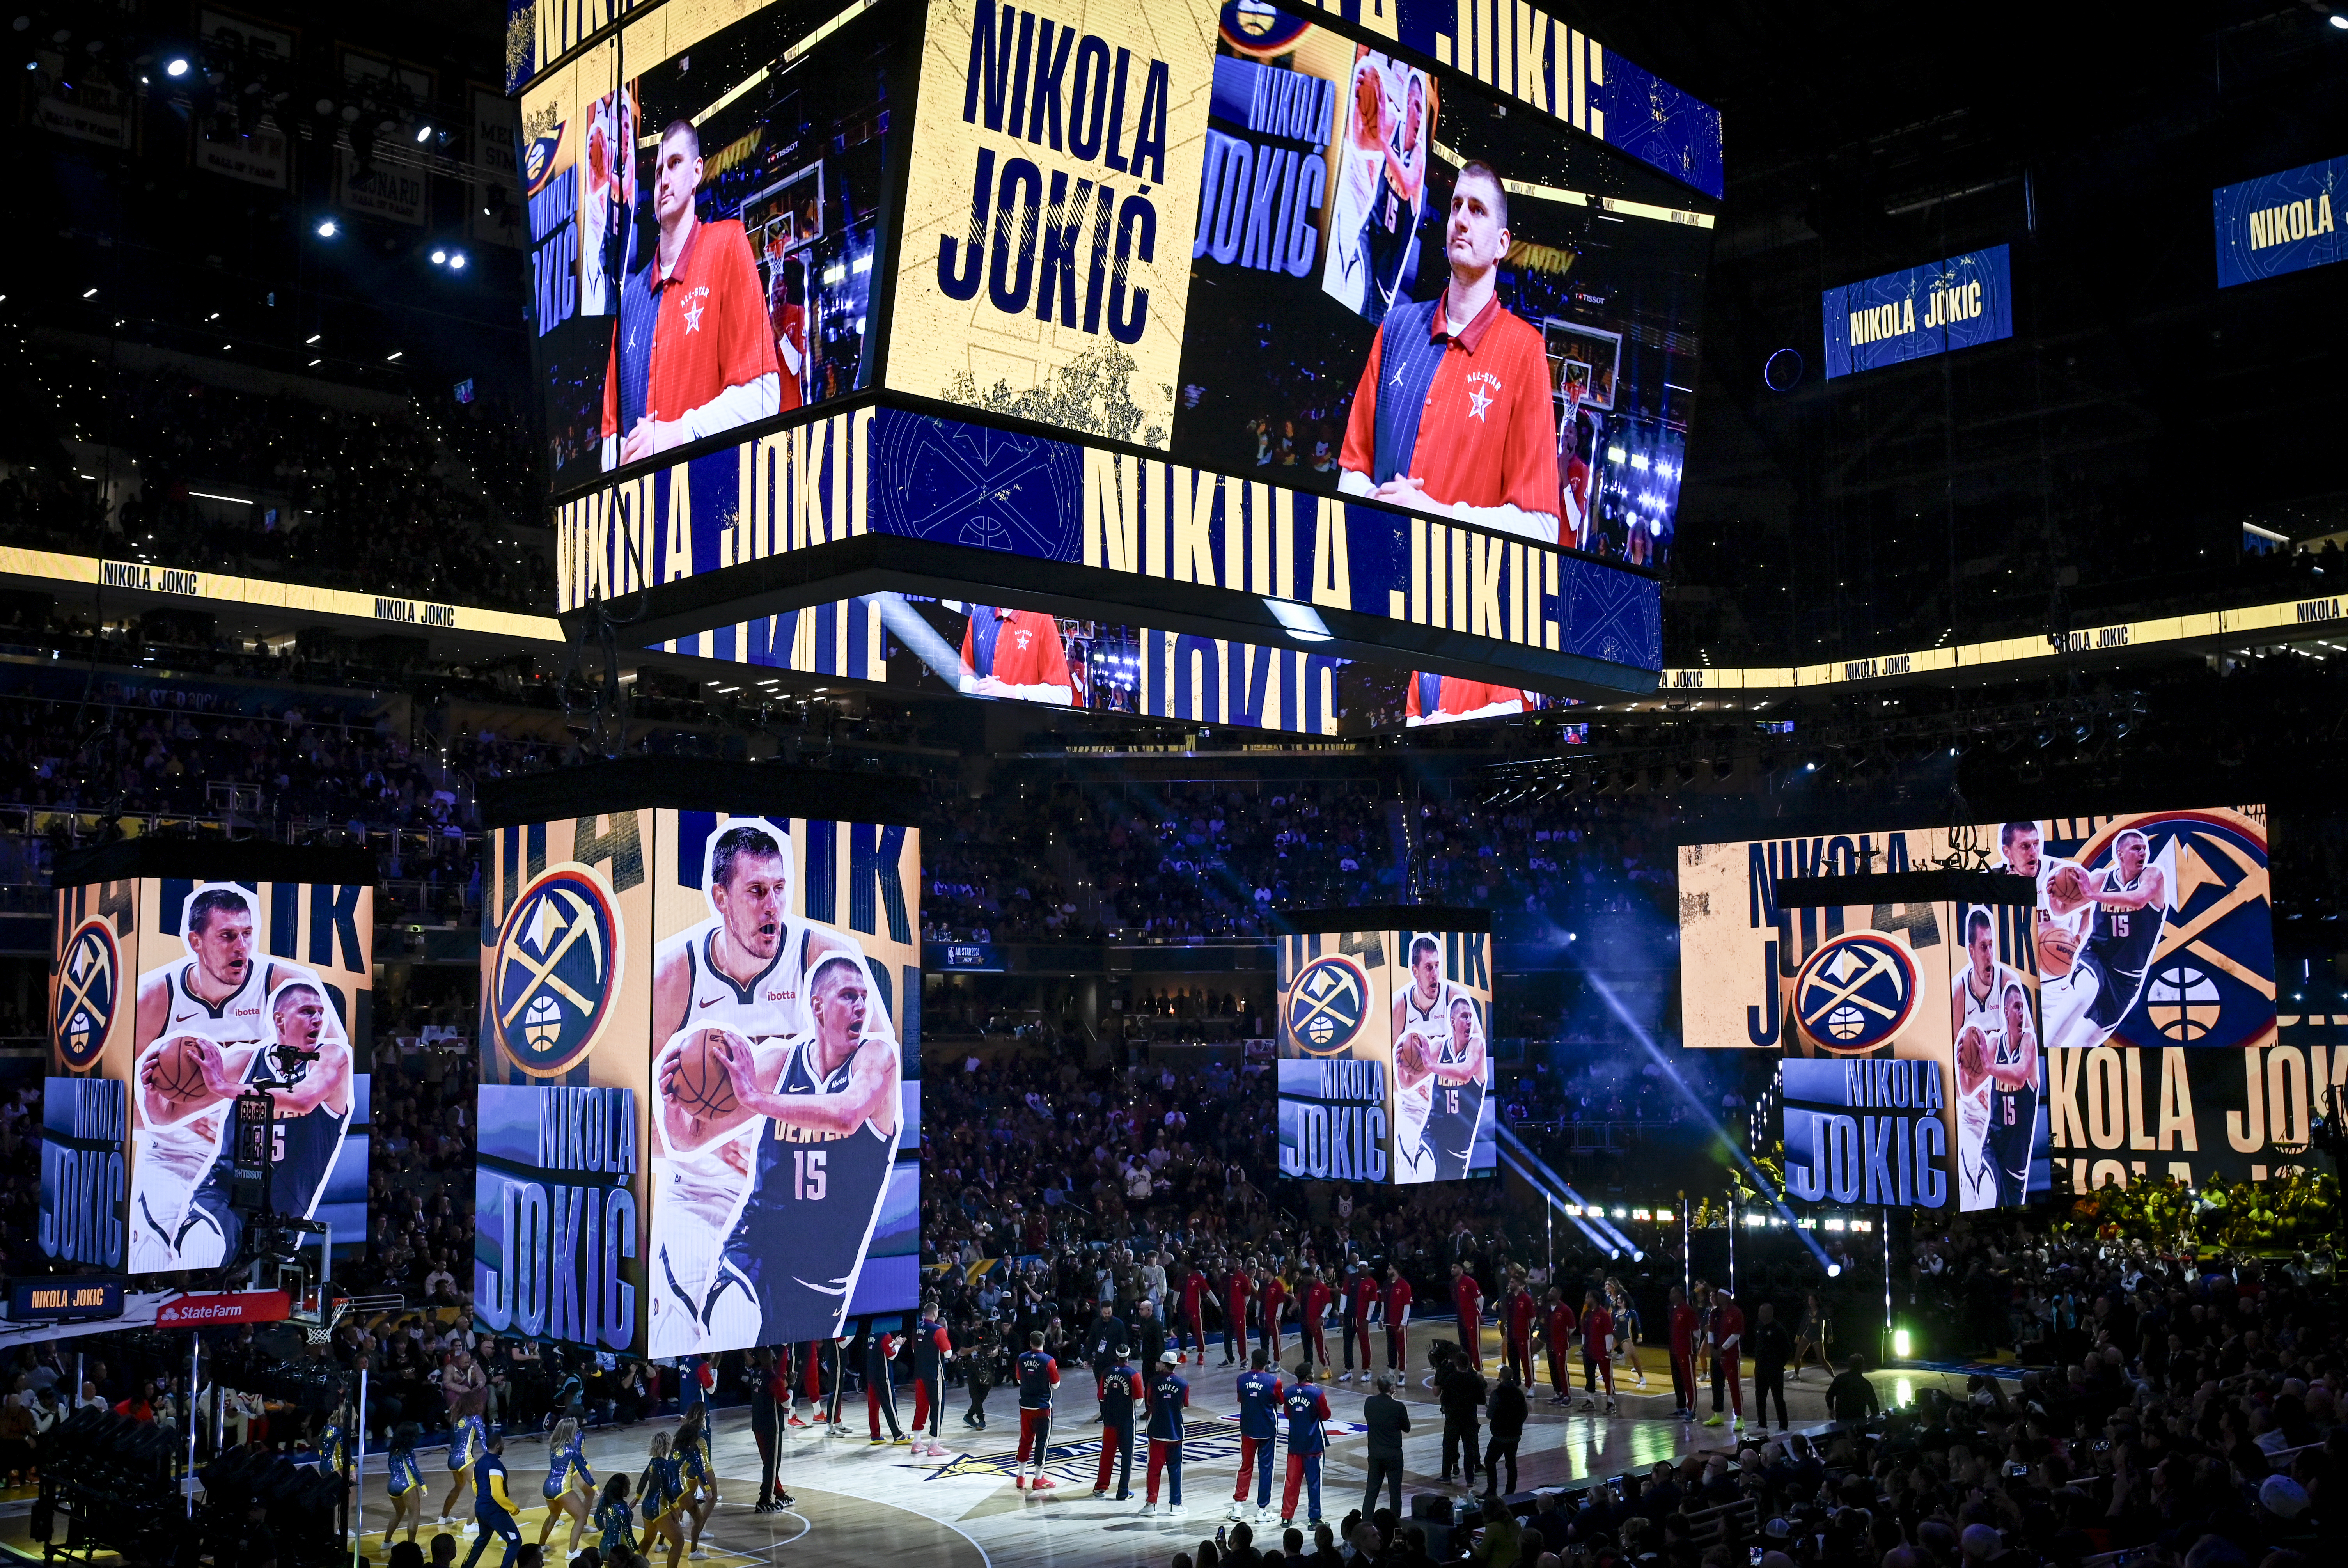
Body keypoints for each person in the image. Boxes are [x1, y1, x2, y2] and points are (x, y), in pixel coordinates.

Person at [650, 820, 898, 1354]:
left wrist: (762, 1112)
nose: (772, 906)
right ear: (720, 897)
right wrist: (680, 1115)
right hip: (705, 1189)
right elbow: (654, 1133)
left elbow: (873, 1094)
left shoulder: (831, 961)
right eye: (757, 891)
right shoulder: (674, 974)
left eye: (780, 889)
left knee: (783, 1337)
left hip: (799, 1188)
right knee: (695, 1321)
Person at [1337, 160, 1562, 544]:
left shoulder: (1524, 350)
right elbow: (1351, 469)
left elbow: (1541, 526)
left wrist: (1434, 514)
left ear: (1502, 244)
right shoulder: (1396, 327)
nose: (1461, 219)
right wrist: (1372, 503)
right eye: (1456, 206)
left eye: (1477, 210)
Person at [129, 885, 349, 1271]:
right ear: (196, 941)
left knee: (246, 1274)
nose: (241, 946)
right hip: (204, 1170)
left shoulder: (330, 1054)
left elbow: (302, 1099)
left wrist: (224, 1089)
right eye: (228, 935)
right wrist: (151, 1095)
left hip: (280, 1203)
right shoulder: (159, 1001)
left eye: (247, 934)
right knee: (182, 1252)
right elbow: (161, 1117)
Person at [599, 118, 780, 470]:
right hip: (645, 515)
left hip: (711, 503)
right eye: (658, 173)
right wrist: (619, 459)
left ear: (698, 171)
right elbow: (608, 436)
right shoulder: (632, 297)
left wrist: (681, 432)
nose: (664, 179)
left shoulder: (727, 244)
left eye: (675, 164)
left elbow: (763, 395)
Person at [960, 608, 1076, 705]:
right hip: (983, 725)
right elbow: (964, 678)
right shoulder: (978, 616)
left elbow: (1063, 695)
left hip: (1024, 728)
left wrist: (1014, 692)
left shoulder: (1042, 618)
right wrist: (975, 687)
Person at [1232, 1348, 1283, 1523]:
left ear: (1252, 1361)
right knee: (1266, 1469)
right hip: (1267, 1430)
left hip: (1247, 1429)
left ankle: (1238, 1507)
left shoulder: (1241, 1380)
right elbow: (1281, 1402)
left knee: (1245, 1467)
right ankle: (1262, 1511)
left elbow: (1241, 1400)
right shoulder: (1274, 1382)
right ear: (1266, 1364)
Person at [1280, 1361, 1333, 1529]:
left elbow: (1288, 1414)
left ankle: (1287, 1518)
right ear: (1309, 1376)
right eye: (1312, 1371)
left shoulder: (1287, 1393)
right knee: (1315, 1482)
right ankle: (1314, 1519)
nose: (1313, 1373)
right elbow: (1326, 1415)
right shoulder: (1317, 1394)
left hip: (1295, 1443)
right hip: (1314, 1446)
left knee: (1291, 1482)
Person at [458, 1433, 523, 1568]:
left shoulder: (479, 1462)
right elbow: (497, 1494)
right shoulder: (495, 1466)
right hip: (494, 1511)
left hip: (481, 1508)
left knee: (482, 1539)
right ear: (498, 1446)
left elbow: (475, 1485)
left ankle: (466, 1567)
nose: (504, 1446)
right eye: (503, 1444)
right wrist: (513, 1508)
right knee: (515, 1542)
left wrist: (482, 1500)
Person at [537, 1417, 594, 1557]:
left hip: (548, 1487)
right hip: (562, 1489)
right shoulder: (572, 1449)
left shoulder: (554, 1447)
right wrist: (596, 1487)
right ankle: (572, 1552)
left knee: (553, 1516)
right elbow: (583, 1468)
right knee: (581, 1517)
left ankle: (541, 1546)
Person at [1142, 1349, 1189, 1517]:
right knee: (1175, 1469)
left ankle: (1151, 1505)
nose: (1156, 1365)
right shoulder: (1184, 1384)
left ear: (1163, 1365)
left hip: (1156, 1432)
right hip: (1175, 1432)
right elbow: (1184, 1404)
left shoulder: (1152, 1383)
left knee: (1154, 1470)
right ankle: (1176, 1505)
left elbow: (1149, 1402)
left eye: (1159, 1363)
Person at [1014, 1328, 1061, 1493]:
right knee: (1042, 1442)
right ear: (1044, 1343)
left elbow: (1019, 1379)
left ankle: (1021, 1477)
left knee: (1025, 1440)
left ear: (1030, 1343)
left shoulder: (1021, 1358)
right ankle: (1039, 1478)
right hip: (1042, 1407)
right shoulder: (1049, 1360)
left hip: (1025, 1406)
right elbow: (1056, 1385)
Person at [1092, 1344, 1139, 1501]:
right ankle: (1123, 1491)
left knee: (1107, 1454)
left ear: (1116, 1355)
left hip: (1110, 1420)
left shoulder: (1106, 1373)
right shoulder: (1133, 1374)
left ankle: (1100, 1488)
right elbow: (1139, 1402)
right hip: (1126, 1422)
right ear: (1128, 1356)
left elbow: (1101, 1397)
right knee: (1127, 1456)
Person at [1361, 1373, 1410, 1519]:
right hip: (1393, 1456)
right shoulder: (1398, 1407)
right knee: (1395, 1492)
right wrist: (1393, 1402)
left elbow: (1379, 1414)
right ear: (1392, 1387)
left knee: (1371, 1492)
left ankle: (1366, 1522)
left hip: (1375, 1455)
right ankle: (1395, 1525)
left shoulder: (1369, 1403)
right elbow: (1407, 1428)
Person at [1436, 1344, 1484, 1489]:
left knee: (1449, 1447)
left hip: (1453, 1419)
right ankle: (1470, 1479)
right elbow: (1482, 1400)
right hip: (1470, 1419)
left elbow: (1443, 1399)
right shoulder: (1475, 1379)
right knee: (1469, 1449)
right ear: (1469, 1364)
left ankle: (1446, 1476)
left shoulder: (1450, 1379)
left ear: (1456, 1364)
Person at [911, 1300, 955, 1456]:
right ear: (935, 1314)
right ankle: (934, 1444)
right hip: (934, 1375)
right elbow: (949, 1354)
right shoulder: (938, 1330)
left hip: (919, 1374)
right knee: (937, 1408)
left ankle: (917, 1443)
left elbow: (914, 1350)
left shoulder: (916, 1329)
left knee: (921, 1406)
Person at [749, 1348, 791, 1511]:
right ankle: (764, 1499)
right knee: (773, 1464)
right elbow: (786, 1403)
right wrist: (792, 1385)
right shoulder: (774, 1380)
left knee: (769, 1464)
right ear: (773, 1358)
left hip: (758, 1424)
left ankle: (778, 1493)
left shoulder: (755, 1375)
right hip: (772, 1426)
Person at [636, 1431, 685, 1568]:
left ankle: (632, 1567)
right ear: (667, 1445)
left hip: (647, 1505)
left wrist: (637, 1497)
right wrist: (677, 1507)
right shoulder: (664, 1464)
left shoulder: (653, 1462)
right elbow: (666, 1488)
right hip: (658, 1507)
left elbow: (643, 1479)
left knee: (648, 1539)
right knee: (679, 1542)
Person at [1405, 674, 1527, 729]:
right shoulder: (1424, 665)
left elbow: (1512, 708)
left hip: (1479, 752)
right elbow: (1412, 718)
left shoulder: (1489, 653)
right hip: (1434, 758)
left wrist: (1455, 721)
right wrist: (1425, 724)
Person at [676, 1403, 718, 1556]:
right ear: (702, 1415)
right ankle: (699, 1530)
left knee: (685, 1501)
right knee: (712, 1497)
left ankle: (670, 1530)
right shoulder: (703, 1433)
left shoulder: (684, 1429)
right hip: (703, 1468)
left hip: (686, 1469)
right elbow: (704, 1458)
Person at [1702, 1286, 1744, 1432]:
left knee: (1734, 1386)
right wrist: (1712, 1348)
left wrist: (1721, 1350)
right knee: (1717, 1385)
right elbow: (1711, 1332)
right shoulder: (1715, 1314)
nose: (1717, 1298)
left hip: (1730, 1356)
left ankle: (1739, 1417)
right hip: (1716, 1354)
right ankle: (1718, 1415)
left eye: (1720, 1296)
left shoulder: (1736, 1313)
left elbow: (1736, 1335)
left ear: (1727, 1297)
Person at [1750, 1302, 1794, 1434]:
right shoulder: (1758, 1326)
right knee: (1760, 1397)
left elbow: (1787, 1349)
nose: (1759, 1314)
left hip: (1774, 1370)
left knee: (1778, 1398)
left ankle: (1783, 1427)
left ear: (1770, 1313)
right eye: (1759, 1311)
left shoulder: (1778, 1328)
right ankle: (1762, 1425)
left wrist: (1779, 1365)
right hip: (1760, 1369)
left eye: (1762, 1312)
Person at [439, 1410, 488, 1524]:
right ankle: (470, 1525)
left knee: (458, 1487)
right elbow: (482, 1437)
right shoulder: (475, 1418)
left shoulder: (458, 1417)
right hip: (464, 1459)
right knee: (482, 1491)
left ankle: (443, 1518)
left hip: (452, 1459)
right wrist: (488, 1455)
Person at [384, 1421, 427, 1546]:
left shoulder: (393, 1449)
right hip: (406, 1484)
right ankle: (412, 1548)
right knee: (414, 1515)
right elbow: (414, 1470)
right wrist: (423, 1486)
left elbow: (390, 1467)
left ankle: (386, 1542)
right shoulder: (408, 1451)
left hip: (392, 1485)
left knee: (398, 1513)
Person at [864, 1320, 904, 1445]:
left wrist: (892, 1343)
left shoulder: (871, 1335)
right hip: (883, 1376)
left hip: (871, 1375)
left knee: (873, 1407)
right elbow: (891, 1355)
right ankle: (899, 1435)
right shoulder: (885, 1335)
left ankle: (875, 1435)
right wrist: (898, 1345)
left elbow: (881, 1349)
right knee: (890, 1405)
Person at [1578, 1290, 1618, 1416]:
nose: (1585, 1300)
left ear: (1593, 1299)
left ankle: (1611, 1403)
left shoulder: (1604, 1314)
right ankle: (1590, 1401)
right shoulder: (1587, 1314)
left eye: (1587, 1297)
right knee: (1589, 1376)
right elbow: (1584, 1331)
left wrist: (1608, 1350)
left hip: (1602, 1351)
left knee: (1607, 1377)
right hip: (1589, 1351)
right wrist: (1584, 1347)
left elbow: (1609, 1333)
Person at [1540, 1287, 1577, 1408]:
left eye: (1553, 1292)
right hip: (1550, 1344)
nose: (1550, 1293)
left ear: (1559, 1295)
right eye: (1550, 1291)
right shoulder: (1546, 1309)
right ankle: (1558, 1393)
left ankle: (1567, 1395)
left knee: (1562, 1369)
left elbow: (1572, 1327)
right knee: (1553, 1369)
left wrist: (1563, 1337)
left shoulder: (1565, 1310)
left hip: (1561, 1345)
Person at [1825, 1354, 1880, 1427]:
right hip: (1859, 1420)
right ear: (1863, 1366)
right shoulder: (1866, 1384)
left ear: (1849, 1365)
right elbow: (1874, 1406)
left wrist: (1831, 1409)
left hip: (1842, 1418)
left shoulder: (1840, 1378)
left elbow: (1829, 1395)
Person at [1449, 1262, 1484, 1376]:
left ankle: (1479, 1370)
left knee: (1474, 1344)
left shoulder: (1469, 1281)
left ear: (1462, 1269)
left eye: (1455, 1268)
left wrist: (1479, 1313)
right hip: (1461, 1317)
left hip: (1471, 1317)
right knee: (1464, 1344)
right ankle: (1468, 1368)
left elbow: (1480, 1298)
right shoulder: (1453, 1284)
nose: (1453, 1270)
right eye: (1452, 1268)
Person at [594, 1474, 637, 1560]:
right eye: (629, 1485)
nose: (630, 1488)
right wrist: (638, 1553)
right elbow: (629, 1536)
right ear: (623, 1489)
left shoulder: (605, 1499)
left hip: (603, 1546)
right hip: (618, 1550)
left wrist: (603, 1531)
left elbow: (598, 1517)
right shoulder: (622, 1508)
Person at [1303, 1268, 1334, 1374]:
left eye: (1305, 1278)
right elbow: (1299, 1300)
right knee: (1307, 1346)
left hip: (1317, 1322)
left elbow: (1329, 1304)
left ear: (1311, 1276)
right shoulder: (1305, 1287)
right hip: (1306, 1322)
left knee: (1321, 1346)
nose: (1304, 1280)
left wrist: (1322, 1317)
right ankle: (1308, 1366)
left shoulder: (1322, 1287)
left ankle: (1327, 1368)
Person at [1383, 1264, 1412, 1372]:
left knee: (1402, 1348)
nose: (1388, 1271)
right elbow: (1384, 1303)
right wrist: (1381, 1319)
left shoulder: (1405, 1285)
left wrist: (1403, 1323)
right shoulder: (1386, 1284)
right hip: (1389, 1322)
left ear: (1396, 1270)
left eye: (1390, 1269)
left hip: (1399, 1323)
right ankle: (1391, 1370)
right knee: (1391, 1347)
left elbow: (1407, 1305)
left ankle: (1402, 1373)